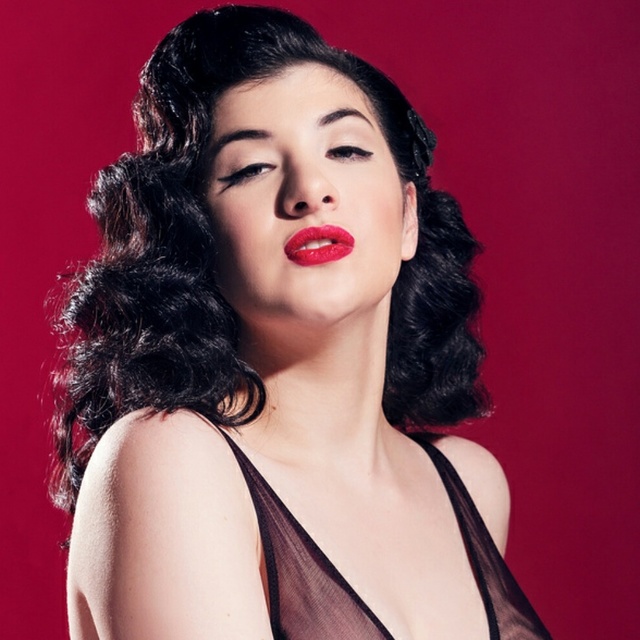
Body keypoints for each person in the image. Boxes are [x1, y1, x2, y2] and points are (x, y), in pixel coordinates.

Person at [51, 5, 551, 639]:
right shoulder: (170, 460)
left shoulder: (469, 485)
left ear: (408, 218)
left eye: (345, 149)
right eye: (251, 168)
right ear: (198, 237)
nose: (310, 189)